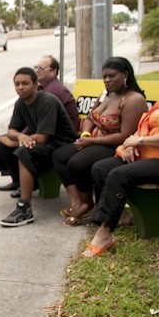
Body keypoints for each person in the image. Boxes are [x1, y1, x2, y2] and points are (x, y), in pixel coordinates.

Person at [0, 67, 76, 227]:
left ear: (36, 84)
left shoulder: (47, 101)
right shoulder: (21, 103)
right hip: (36, 143)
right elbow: (11, 131)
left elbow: (42, 137)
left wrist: (14, 141)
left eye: (25, 83)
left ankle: (25, 208)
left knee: (24, 152)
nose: (21, 87)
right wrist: (19, 136)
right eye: (17, 84)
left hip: (59, 146)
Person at [52, 57, 147, 226]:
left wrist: (91, 143)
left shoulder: (134, 100)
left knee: (76, 163)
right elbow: (90, 117)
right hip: (93, 140)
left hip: (116, 146)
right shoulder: (106, 94)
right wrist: (87, 134)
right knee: (59, 155)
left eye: (112, 76)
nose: (107, 80)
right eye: (104, 76)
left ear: (126, 74)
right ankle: (79, 202)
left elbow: (125, 135)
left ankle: (89, 203)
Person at [82, 97, 159, 257]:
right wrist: (127, 146)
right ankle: (120, 217)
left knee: (119, 174)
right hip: (145, 155)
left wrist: (140, 141)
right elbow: (143, 128)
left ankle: (104, 233)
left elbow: (142, 137)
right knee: (101, 168)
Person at [0, 55, 80, 195]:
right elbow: (18, 127)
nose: (37, 70)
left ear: (53, 72)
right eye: (36, 67)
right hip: (44, 134)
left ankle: (25, 201)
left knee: (22, 150)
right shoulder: (28, 97)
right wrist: (18, 136)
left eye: (41, 68)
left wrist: (16, 141)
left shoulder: (52, 92)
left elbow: (42, 134)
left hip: (59, 141)